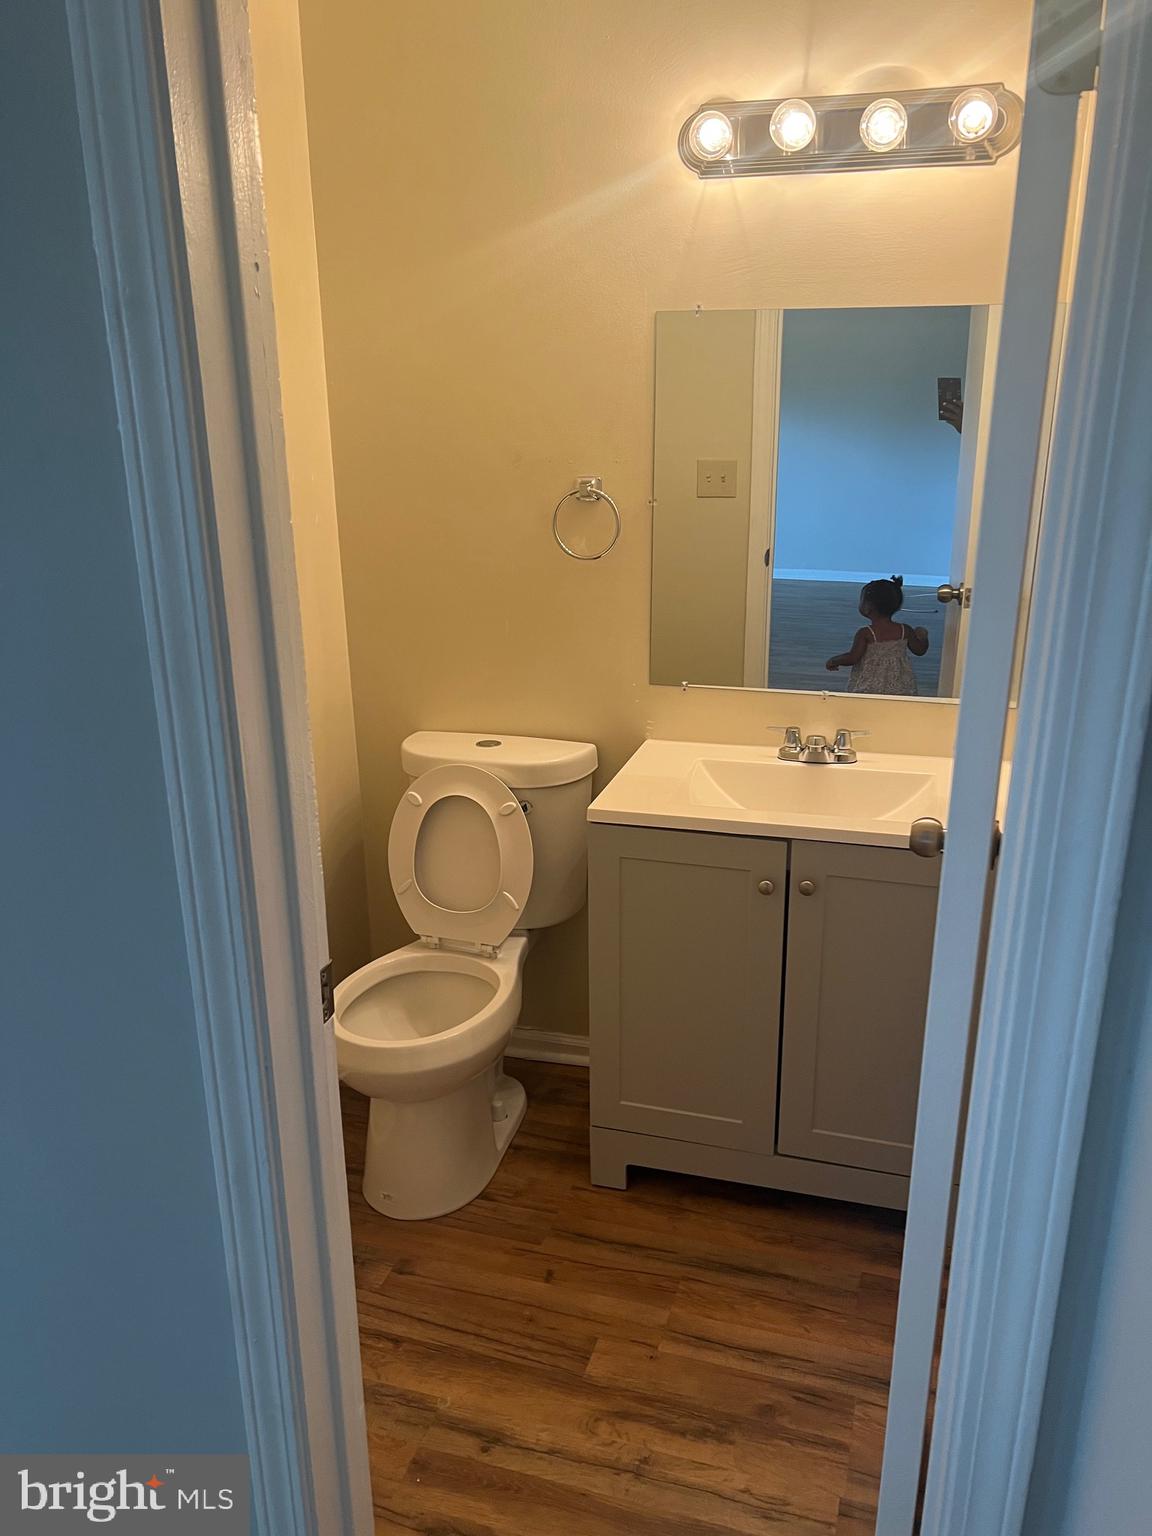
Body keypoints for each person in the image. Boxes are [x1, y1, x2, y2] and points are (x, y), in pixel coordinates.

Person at [825, 575, 929, 696]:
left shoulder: (866, 633)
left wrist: (834, 660)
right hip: (900, 687)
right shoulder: (905, 630)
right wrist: (923, 636)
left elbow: (852, 657)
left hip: (869, 687)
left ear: (868, 608)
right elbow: (920, 650)